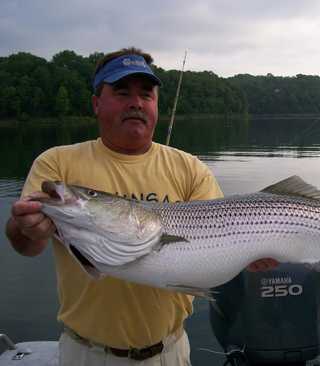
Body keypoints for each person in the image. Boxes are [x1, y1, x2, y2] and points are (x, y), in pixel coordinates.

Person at [5, 47, 278, 366]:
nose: (136, 102)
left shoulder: (189, 168)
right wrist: (24, 227)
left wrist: (248, 252)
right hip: (86, 354)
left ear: (156, 105)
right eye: (122, 92)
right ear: (97, 103)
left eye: (146, 95)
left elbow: (214, 245)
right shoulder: (57, 164)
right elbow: (27, 245)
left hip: (171, 352)